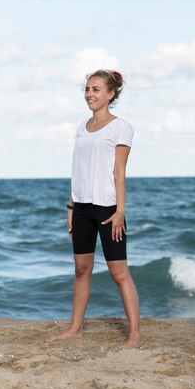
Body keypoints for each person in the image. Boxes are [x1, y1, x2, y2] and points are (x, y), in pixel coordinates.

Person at [51, 70, 141, 348]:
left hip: (108, 209)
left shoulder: (120, 127)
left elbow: (120, 172)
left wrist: (120, 211)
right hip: (81, 208)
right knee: (81, 269)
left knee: (118, 272)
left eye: (96, 89)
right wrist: (71, 205)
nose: (90, 94)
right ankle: (75, 328)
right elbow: (76, 170)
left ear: (111, 94)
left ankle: (135, 334)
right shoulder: (82, 126)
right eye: (87, 89)